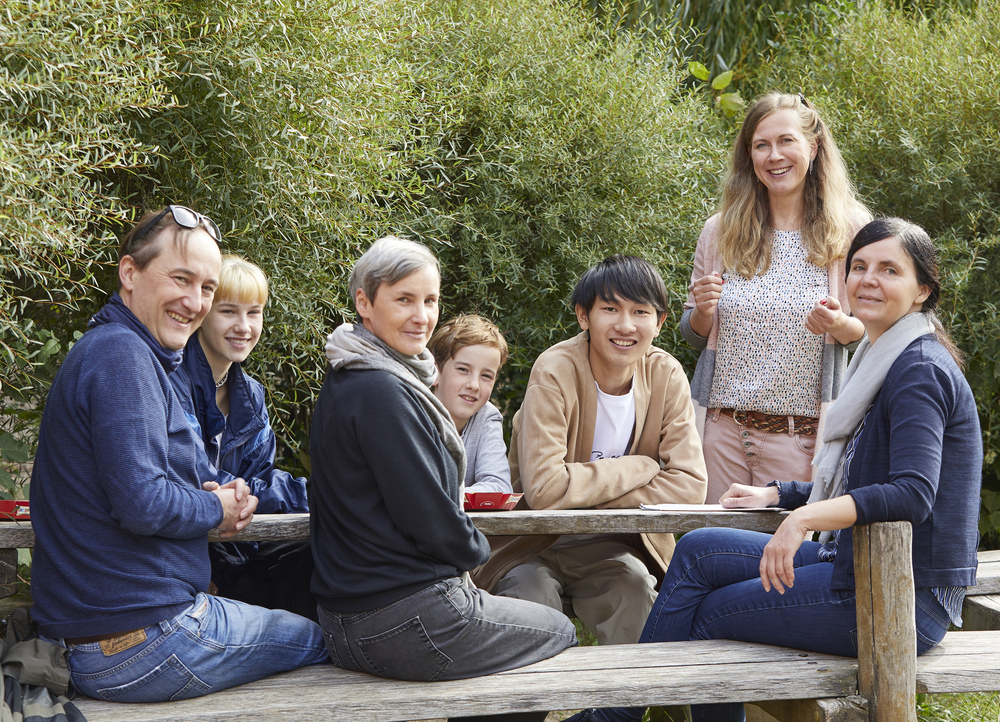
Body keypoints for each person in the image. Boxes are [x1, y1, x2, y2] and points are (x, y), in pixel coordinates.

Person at [566, 218, 983, 722]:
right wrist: (780, 495)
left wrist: (802, 520)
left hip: (902, 599)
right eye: (859, 267)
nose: (868, 279)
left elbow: (912, 494)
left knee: (709, 616)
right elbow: (863, 477)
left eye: (889, 270)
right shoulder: (883, 357)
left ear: (922, 291)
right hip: (858, 566)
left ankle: (611, 718)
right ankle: (616, 717)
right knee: (699, 549)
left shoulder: (919, 370)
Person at [30, 206, 328, 703]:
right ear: (130, 273)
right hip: (141, 641)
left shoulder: (135, 355)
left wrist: (213, 492)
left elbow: (146, 482)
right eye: (181, 279)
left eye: (207, 288)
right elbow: (141, 502)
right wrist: (218, 508)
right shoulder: (121, 355)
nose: (194, 302)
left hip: (118, 638)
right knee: (325, 639)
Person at [308, 236, 576, 721]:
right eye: (404, 299)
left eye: (429, 300)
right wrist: (475, 555)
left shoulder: (348, 376)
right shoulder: (383, 392)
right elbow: (429, 517)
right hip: (404, 619)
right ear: (364, 303)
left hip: (347, 619)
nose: (421, 315)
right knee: (558, 631)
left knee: (514, 636)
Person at [473, 255, 708, 645]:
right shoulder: (555, 370)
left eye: (640, 312)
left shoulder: (665, 375)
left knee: (634, 590)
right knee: (533, 602)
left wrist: (578, 493)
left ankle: (622, 709)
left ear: (661, 322)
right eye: (610, 309)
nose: (625, 325)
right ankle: (520, 707)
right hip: (535, 542)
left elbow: (689, 488)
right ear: (584, 316)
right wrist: (640, 466)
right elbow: (545, 492)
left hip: (613, 544)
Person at [681, 92, 872, 502]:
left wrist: (840, 326)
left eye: (786, 141)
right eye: (761, 145)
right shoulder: (719, 231)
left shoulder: (852, 227)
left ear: (813, 147)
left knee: (787, 562)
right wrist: (702, 311)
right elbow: (694, 335)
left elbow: (874, 329)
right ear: (748, 155)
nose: (774, 155)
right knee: (715, 556)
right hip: (721, 434)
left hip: (802, 439)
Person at [170, 254, 315, 620]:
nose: (244, 326)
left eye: (254, 312)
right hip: (182, 560)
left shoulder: (251, 395)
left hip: (238, 550)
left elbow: (259, 482)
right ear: (203, 313)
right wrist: (310, 494)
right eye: (229, 311)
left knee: (326, 561)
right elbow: (198, 477)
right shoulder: (171, 380)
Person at [428, 314, 512, 494]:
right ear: (435, 372)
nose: (474, 385)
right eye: (463, 370)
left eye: (486, 376)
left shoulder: (486, 417)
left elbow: (500, 486)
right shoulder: (412, 412)